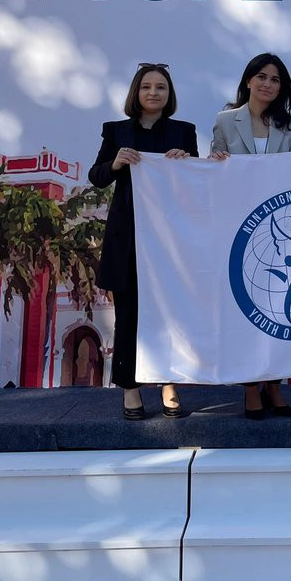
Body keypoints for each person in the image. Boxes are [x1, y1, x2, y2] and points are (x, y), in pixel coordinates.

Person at [89, 63, 198, 420]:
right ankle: (130, 388)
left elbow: (196, 183)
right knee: (129, 318)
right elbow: (96, 176)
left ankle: (169, 383)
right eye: (147, 86)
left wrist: (186, 163)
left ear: (169, 94)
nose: (153, 92)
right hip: (128, 240)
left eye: (161, 87)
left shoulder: (184, 132)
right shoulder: (116, 131)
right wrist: (115, 163)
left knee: (170, 316)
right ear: (136, 92)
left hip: (169, 241)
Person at [211, 53, 291, 420]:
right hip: (238, 226)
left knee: (277, 308)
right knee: (246, 309)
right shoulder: (225, 120)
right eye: (262, 77)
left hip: (278, 227)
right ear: (249, 81)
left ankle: (274, 383)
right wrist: (215, 161)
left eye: (275, 79)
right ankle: (251, 388)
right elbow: (214, 171)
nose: (268, 84)